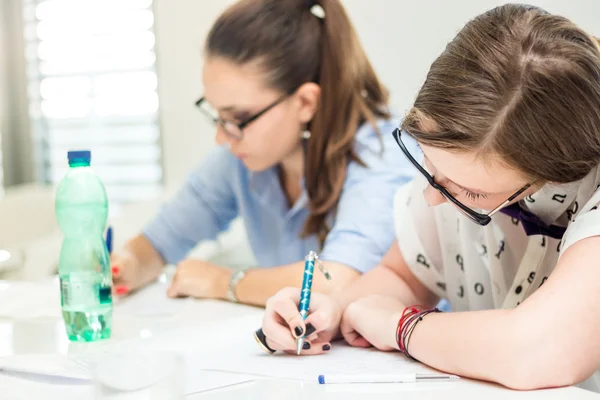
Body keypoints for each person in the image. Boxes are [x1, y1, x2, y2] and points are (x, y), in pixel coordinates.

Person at [260, 4, 600, 391]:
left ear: (552, 175)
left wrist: (401, 325)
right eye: (427, 162)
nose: (432, 198)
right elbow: (402, 274)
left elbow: (534, 351)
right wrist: (331, 312)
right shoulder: (453, 174)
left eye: (472, 192)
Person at [109, 0, 416, 307]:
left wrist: (223, 281)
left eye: (239, 118)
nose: (221, 137)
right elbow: (162, 239)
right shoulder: (241, 157)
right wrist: (127, 264)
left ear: (306, 103)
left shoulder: (382, 153)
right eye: (217, 116)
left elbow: (336, 283)